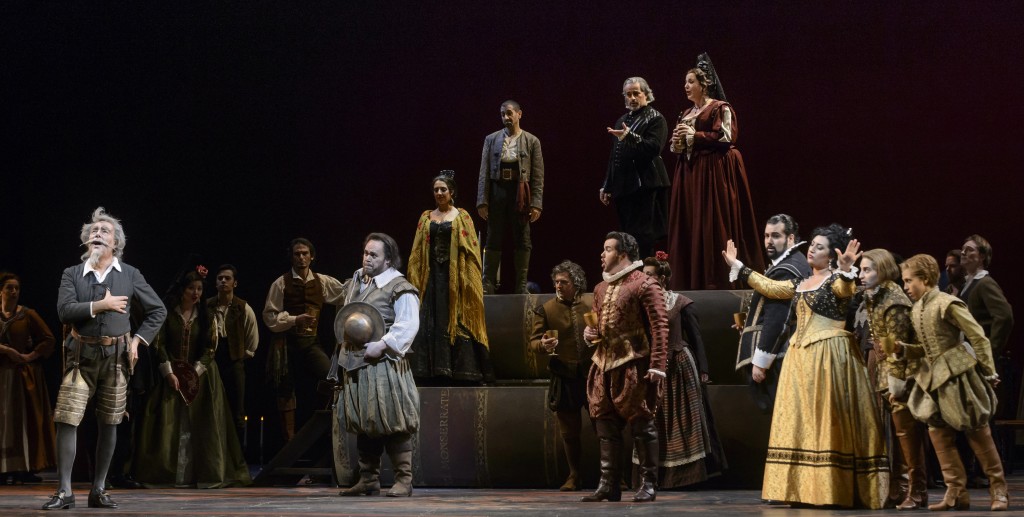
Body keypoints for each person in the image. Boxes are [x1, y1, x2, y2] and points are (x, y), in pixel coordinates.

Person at [722, 224, 888, 508]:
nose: (811, 249)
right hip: (799, 359)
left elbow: (845, 290)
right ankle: (802, 488)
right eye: (811, 244)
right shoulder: (800, 283)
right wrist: (739, 266)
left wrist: (847, 269)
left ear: (833, 255)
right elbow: (771, 287)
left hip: (828, 356)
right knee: (801, 421)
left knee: (825, 418)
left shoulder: (836, 279)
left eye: (819, 247)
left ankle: (830, 488)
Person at [45, 207, 167, 510]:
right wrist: (101, 305)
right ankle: (65, 491)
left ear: (115, 243)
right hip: (79, 358)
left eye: (104, 231)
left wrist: (139, 340)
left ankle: (99, 489)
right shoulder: (72, 273)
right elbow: (64, 311)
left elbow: (158, 311)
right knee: (66, 419)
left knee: (110, 422)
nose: (97, 233)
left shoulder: (130, 275)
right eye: (93, 230)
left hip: (115, 358)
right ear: (87, 240)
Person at [898, 254, 1007, 511]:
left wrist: (989, 372)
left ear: (925, 279)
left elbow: (977, 336)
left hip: (957, 376)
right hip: (932, 378)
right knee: (939, 436)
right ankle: (955, 492)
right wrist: (905, 350)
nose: (905, 287)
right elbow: (926, 348)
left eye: (909, 281)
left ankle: (998, 489)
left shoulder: (947, 303)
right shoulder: (917, 308)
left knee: (976, 430)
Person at [133, 268, 251, 488]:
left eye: (199, 289)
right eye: (191, 289)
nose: (196, 293)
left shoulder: (206, 316)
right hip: (169, 376)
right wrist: (169, 372)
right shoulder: (168, 314)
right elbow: (159, 345)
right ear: (182, 290)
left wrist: (193, 373)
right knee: (167, 424)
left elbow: (210, 349)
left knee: (202, 424)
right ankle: (168, 474)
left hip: (201, 377)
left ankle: (200, 474)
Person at [581, 231, 668, 503]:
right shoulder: (600, 288)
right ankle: (609, 483)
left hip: (634, 364)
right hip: (604, 363)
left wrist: (657, 365)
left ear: (622, 254)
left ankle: (648, 483)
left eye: (607, 249)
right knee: (605, 425)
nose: (602, 254)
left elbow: (660, 327)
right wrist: (589, 333)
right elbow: (597, 325)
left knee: (642, 424)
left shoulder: (644, 284)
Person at [669, 53, 763, 290]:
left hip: (712, 172)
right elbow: (680, 143)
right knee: (691, 223)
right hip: (690, 174)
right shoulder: (686, 113)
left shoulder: (719, 108)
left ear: (704, 84)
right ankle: (691, 280)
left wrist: (694, 136)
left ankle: (716, 279)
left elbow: (728, 136)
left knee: (713, 222)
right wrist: (678, 143)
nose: (686, 86)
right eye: (685, 82)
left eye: (691, 82)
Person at [338, 233, 421, 498]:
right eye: (365, 253)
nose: (367, 258)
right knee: (366, 422)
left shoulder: (399, 286)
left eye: (374, 255)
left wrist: (383, 344)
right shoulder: (358, 283)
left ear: (388, 259)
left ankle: (403, 480)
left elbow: (408, 324)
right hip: (358, 364)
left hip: (385, 364)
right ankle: (368, 479)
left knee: (393, 420)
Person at [639, 253, 726, 488]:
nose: (645, 280)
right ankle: (651, 476)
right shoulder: (642, 303)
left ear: (663, 279)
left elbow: (696, 337)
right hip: (653, 367)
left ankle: (683, 477)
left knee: (682, 420)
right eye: (643, 275)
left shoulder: (680, 302)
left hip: (678, 364)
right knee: (653, 421)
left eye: (649, 276)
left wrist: (703, 368)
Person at [852, 249, 927, 509]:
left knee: (906, 431)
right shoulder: (875, 296)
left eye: (867, 270)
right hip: (884, 372)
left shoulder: (893, 300)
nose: (861, 275)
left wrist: (896, 385)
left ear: (882, 271)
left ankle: (914, 489)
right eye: (861, 269)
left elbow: (896, 351)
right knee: (896, 432)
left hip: (901, 374)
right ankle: (898, 487)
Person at [408, 171, 494, 384]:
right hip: (430, 277)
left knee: (456, 318)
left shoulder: (462, 216)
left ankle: (462, 372)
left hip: (455, 277)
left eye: (443, 189)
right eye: (436, 190)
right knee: (431, 319)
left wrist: (469, 277)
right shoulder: (426, 216)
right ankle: (430, 372)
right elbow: (417, 250)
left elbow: (472, 248)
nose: (439, 193)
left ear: (452, 192)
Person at [263, 238, 346, 440]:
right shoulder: (281, 282)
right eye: (297, 254)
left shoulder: (321, 281)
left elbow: (345, 295)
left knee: (331, 379)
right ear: (291, 257)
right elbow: (269, 316)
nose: (301, 257)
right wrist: (293, 319)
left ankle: (324, 433)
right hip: (286, 345)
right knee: (285, 389)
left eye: (304, 253)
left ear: (312, 256)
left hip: (310, 342)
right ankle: (289, 442)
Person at [734, 214, 809, 414]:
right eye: (766, 236)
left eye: (775, 236)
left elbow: (778, 320)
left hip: (778, 357)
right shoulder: (792, 262)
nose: (768, 241)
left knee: (780, 419)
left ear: (790, 238)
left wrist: (761, 362)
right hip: (783, 355)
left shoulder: (786, 269)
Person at [529, 260, 593, 491]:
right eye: (556, 282)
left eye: (563, 282)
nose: (558, 286)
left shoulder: (593, 302)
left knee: (605, 427)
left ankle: (615, 475)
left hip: (593, 372)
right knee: (569, 431)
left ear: (575, 283)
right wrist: (543, 346)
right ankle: (574, 475)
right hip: (563, 374)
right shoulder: (546, 309)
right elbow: (534, 341)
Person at [477, 100, 544, 294]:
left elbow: (538, 175)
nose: (506, 118)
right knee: (493, 236)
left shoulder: (532, 141)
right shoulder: (491, 139)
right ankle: (488, 283)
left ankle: (521, 284)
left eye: (509, 113)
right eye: (502, 114)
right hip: (498, 189)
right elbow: (484, 171)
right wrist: (483, 200)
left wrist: (537, 204)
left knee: (523, 237)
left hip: (520, 192)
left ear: (519, 114)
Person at [600, 78, 670, 259]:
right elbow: (615, 155)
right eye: (628, 94)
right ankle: (632, 273)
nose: (632, 98)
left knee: (643, 235)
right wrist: (607, 185)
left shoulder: (656, 118)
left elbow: (654, 148)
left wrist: (629, 136)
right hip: (624, 186)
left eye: (636, 93)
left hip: (645, 184)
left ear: (646, 94)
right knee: (627, 236)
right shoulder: (622, 120)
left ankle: (643, 275)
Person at [0, 272, 57, 484]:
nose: (13, 291)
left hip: (21, 376)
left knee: (22, 421)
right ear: (1, 291)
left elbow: (49, 339)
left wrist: (29, 356)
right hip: (1, 374)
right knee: (3, 422)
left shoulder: (27, 314)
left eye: (16, 288)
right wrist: (6, 350)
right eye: (9, 288)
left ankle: (23, 467)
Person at [959, 235, 1015, 417]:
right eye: (963, 249)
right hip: (967, 356)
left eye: (970, 250)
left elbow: (1004, 316)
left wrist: (989, 351)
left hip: (978, 357)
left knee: (981, 415)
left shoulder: (984, 283)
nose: (963, 252)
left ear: (982, 256)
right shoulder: (968, 283)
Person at [207, 264, 259, 442]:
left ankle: (238, 455)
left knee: (237, 409)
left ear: (235, 283)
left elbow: (252, 340)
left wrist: (239, 355)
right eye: (220, 278)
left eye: (227, 278)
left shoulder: (243, 307)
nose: (223, 281)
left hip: (235, 363)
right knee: (211, 407)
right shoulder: (207, 306)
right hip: (212, 362)